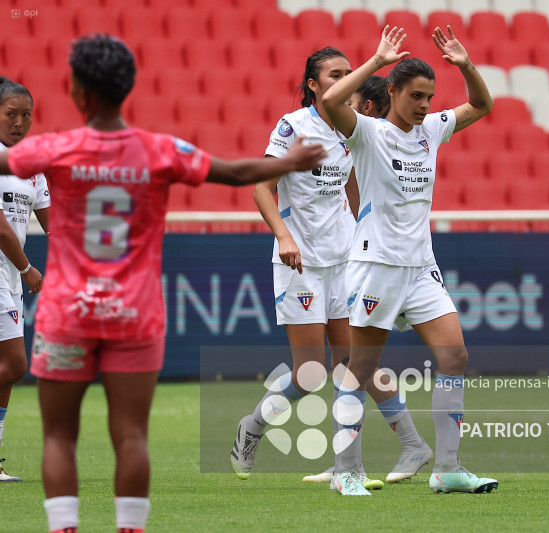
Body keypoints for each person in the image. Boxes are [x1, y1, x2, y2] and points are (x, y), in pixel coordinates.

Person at [0, 34, 324, 533]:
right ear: (127, 89)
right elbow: (235, 171)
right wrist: (288, 163)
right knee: (131, 435)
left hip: (67, 314)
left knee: (58, 436)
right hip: (135, 314)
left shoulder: (52, 149)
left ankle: (63, 528)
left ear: (76, 91)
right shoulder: (159, 149)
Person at [229, 50, 431, 490]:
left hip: (346, 262)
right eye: (334, 74)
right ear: (313, 84)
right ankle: (254, 425)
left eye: (347, 73)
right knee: (310, 373)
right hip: (300, 262)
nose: (344, 80)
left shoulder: (350, 126)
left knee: (356, 364)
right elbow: (263, 187)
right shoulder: (292, 127)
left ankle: (406, 446)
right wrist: (284, 236)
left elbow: (356, 189)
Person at [321, 25, 497, 496]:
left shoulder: (432, 130)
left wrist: (465, 66)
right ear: (393, 92)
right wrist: (376, 61)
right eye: (416, 96)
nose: (424, 106)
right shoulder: (368, 133)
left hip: (421, 267)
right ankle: (347, 472)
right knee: (360, 368)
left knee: (454, 354)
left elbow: (482, 105)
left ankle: (448, 468)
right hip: (377, 265)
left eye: (430, 97)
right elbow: (331, 102)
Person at [0, 77, 49, 483]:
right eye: (10, 114)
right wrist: (26, 268)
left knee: (8, 367)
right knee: (14, 363)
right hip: (6, 272)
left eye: (26, 115)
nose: (19, 122)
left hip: (9, 279)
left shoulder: (32, 167)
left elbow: (57, 226)